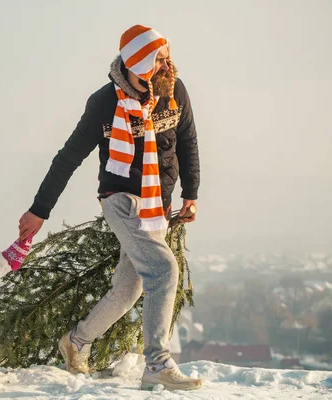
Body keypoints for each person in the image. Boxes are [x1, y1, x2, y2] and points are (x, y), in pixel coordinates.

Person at [18, 25, 201, 391]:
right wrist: (40, 209)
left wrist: (190, 192)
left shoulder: (174, 92)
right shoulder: (105, 102)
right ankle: (157, 363)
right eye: (159, 60)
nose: (167, 66)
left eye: (167, 58)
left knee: (128, 288)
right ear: (138, 62)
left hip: (157, 203)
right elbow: (69, 157)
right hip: (120, 199)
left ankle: (77, 341)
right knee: (163, 269)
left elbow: (187, 140)